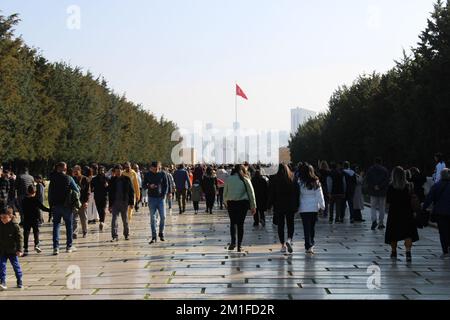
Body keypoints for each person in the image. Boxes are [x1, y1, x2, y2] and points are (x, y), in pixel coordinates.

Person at [385, 167, 419, 262]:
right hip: (407, 212)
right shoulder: (409, 186)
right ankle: (408, 252)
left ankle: (393, 251)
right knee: (408, 233)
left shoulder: (391, 187)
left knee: (393, 234)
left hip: (394, 213)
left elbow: (388, 202)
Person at [48, 162, 80, 255]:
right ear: (63, 169)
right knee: (69, 226)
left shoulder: (53, 178)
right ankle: (69, 246)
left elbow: (50, 193)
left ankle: (56, 247)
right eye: (65, 169)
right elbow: (77, 190)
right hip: (67, 206)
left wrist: (51, 206)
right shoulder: (68, 178)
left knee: (56, 226)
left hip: (55, 206)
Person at [223, 164, 256, 252]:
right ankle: (239, 245)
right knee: (240, 224)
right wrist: (253, 206)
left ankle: (233, 242)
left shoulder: (229, 179)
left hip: (231, 203)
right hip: (242, 204)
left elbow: (225, 193)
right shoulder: (245, 179)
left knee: (233, 223)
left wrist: (225, 203)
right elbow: (251, 193)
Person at [268, 164, 300, 254]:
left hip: (279, 205)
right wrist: (297, 204)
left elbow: (271, 193)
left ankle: (282, 245)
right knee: (290, 224)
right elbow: (297, 192)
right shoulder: (293, 178)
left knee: (280, 225)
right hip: (291, 205)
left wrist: (269, 205)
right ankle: (289, 240)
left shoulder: (274, 179)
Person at [298, 165, 325, 254]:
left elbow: (298, 195)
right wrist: (322, 206)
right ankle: (311, 244)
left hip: (303, 208)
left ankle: (307, 245)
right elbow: (319, 195)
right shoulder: (316, 182)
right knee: (312, 227)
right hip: (313, 208)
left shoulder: (300, 182)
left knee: (306, 227)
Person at [423, 168, 450, 258]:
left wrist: (423, 208)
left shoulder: (436, 186)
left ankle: (445, 250)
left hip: (440, 212)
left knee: (442, 232)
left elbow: (429, 199)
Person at [108, 165, 134, 242]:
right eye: (116, 171)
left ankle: (126, 235)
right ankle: (114, 236)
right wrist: (110, 205)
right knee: (114, 220)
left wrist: (131, 203)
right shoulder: (112, 180)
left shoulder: (127, 179)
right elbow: (110, 193)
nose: (118, 172)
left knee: (125, 220)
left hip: (124, 202)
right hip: (115, 203)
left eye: (119, 171)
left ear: (122, 171)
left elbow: (131, 191)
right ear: (114, 172)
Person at [21, 185, 50, 256]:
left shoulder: (24, 200)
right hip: (35, 219)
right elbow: (42, 208)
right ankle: (36, 245)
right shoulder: (36, 200)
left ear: (27, 191)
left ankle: (26, 249)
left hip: (27, 219)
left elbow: (21, 209)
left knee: (26, 234)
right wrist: (50, 210)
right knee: (36, 232)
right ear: (35, 191)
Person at [144, 161, 168, 244]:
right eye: (154, 169)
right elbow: (143, 185)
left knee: (163, 217)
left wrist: (164, 194)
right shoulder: (147, 174)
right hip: (151, 198)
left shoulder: (162, 174)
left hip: (161, 198)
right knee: (152, 218)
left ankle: (161, 233)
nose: (155, 171)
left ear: (159, 167)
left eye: (157, 169)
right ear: (151, 168)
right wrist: (149, 186)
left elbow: (166, 185)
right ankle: (154, 236)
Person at [0, 205, 23, 290]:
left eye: (5, 218)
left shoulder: (14, 225)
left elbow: (19, 238)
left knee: (16, 266)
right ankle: (2, 281)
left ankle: (19, 280)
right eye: (1, 218)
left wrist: (19, 249)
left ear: (10, 217)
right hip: (2, 250)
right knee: (1, 266)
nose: (3, 220)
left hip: (12, 250)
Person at [364, 157, 390, 230]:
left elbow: (368, 179)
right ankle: (381, 223)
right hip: (382, 191)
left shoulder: (370, 169)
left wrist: (374, 186)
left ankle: (374, 220)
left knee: (373, 207)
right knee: (382, 207)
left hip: (373, 191)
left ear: (374, 162)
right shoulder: (385, 170)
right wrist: (380, 186)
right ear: (381, 162)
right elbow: (386, 180)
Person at [72, 165, 90, 239]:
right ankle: (74, 233)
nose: (75, 173)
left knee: (83, 218)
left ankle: (84, 231)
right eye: (74, 171)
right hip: (75, 202)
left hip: (83, 201)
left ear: (80, 170)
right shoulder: (72, 179)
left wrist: (86, 201)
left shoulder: (85, 179)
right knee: (74, 218)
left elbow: (88, 191)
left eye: (76, 171)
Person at [91, 166, 109, 231]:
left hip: (104, 196)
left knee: (103, 210)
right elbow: (91, 188)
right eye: (101, 170)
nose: (102, 171)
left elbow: (109, 189)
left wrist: (107, 186)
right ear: (98, 171)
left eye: (103, 170)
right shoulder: (94, 179)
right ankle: (101, 221)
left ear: (104, 171)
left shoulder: (107, 178)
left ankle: (102, 222)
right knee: (99, 210)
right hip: (97, 196)